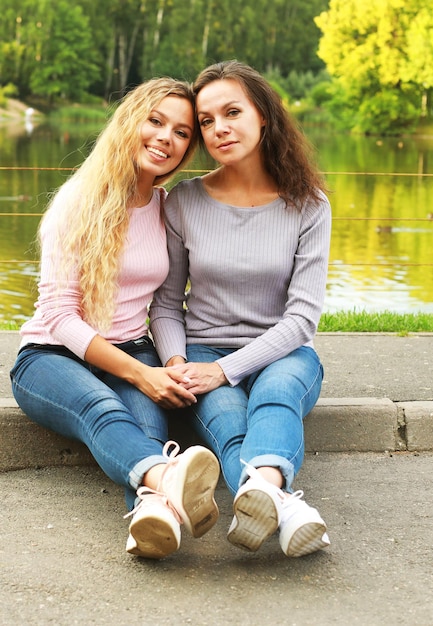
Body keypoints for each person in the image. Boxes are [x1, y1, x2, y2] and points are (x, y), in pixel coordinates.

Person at [10, 77, 220, 560]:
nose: (166, 137)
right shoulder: (78, 200)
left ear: (189, 147)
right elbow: (60, 316)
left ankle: (152, 516)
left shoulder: (166, 207)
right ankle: (170, 478)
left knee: (148, 431)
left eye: (183, 132)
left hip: (133, 350)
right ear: (130, 122)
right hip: (51, 356)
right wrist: (142, 374)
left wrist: (168, 361)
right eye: (155, 121)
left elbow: (168, 303)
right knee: (103, 411)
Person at [149, 61, 332, 558]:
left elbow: (301, 321)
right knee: (229, 424)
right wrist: (178, 364)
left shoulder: (309, 204)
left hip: (283, 351)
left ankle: (269, 491)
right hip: (203, 350)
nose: (218, 129)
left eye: (232, 112)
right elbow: (167, 306)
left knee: (275, 396)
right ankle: (287, 506)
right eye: (206, 121)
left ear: (264, 116)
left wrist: (223, 371)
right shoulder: (183, 200)